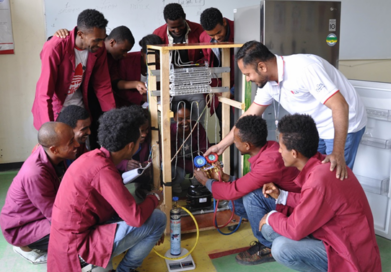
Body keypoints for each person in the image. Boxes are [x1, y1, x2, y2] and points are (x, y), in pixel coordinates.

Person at [206, 40, 367, 180]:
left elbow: (340, 105)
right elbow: (249, 116)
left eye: (248, 74)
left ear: (262, 66)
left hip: (343, 122)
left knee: (332, 180)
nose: (248, 79)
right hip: (315, 128)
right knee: (310, 175)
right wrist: (221, 146)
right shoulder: (268, 83)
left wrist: (338, 153)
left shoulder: (304, 69)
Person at [47, 107, 166, 272]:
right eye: (139, 142)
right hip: (76, 250)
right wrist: (155, 198)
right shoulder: (103, 170)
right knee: (158, 219)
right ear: (130, 146)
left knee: (141, 212)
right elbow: (136, 218)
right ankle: (126, 270)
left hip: (67, 240)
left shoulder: (92, 158)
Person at [258, 114, 381, 272]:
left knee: (281, 248)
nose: (279, 151)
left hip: (348, 252)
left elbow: (294, 229)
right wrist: (282, 196)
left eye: (281, 147)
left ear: (294, 153)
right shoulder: (321, 165)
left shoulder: (319, 179)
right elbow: (315, 201)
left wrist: (270, 216)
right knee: (270, 229)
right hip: (334, 237)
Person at [193, 115, 300, 265]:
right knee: (237, 201)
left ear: (247, 145)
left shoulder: (270, 161)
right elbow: (247, 183)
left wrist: (205, 181)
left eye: (235, 142)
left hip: (293, 207)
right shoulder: (269, 147)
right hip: (281, 198)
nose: (234, 144)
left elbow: (233, 190)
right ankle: (272, 230)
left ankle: (267, 246)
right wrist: (225, 178)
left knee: (251, 197)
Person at [0, 122, 79, 264]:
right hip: (20, 228)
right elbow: (55, 215)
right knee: (76, 236)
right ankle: (24, 246)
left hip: (38, 213)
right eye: (71, 142)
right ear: (54, 149)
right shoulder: (35, 173)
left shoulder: (54, 155)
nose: (77, 145)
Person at [32, 9, 115, 130]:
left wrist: (112, 117)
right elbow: (44, 93)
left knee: (81, 142)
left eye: (102, 39)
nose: (101, 45)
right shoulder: (55, 47)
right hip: (55, 108)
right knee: (60, 144)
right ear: (81, 34)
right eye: (96, 40)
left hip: (77, 104)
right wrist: (48, 128)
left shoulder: (98, 49)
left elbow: (102, 85)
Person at [153, 3, 206, 127]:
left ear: (185, 18)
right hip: (170, 85)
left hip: (194, 83)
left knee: (198, 119)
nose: (177, 30)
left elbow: (208, 55)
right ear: (166, 22)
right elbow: (155, 61)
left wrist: (197, 66)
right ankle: (173, 143)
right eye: (172, 27)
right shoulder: (158, 34)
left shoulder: (199, 30)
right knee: (172, 123)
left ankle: (198, 138)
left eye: (180, 26)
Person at [199, 7, 235, 131]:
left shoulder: (241, 31)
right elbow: (207, 62)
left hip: (239, 88)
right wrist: (215, 89)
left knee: (238, 129)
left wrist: (234, 90)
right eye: (212, 35)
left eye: (219, 32)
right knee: (224, 129)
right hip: (219, 91)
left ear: (224, 22)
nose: (216, 37)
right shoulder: (204, 37)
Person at [171, 100, 209, 194]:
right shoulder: (170, 132)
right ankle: (175, 182)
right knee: (180, 174)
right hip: (178, 164)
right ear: (174, 118)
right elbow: (172, 158)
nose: (185, 122)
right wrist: (193, 167)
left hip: (196, 162)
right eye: (180, 119)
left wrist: (201, 165)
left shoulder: (197, 127)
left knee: (208, 167)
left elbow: (205, 149)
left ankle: (195, 178)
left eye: (188, 118)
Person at [116, 34, 163, 107]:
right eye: (152, 58)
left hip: (152, 104)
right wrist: (142, 98)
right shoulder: (126, 60)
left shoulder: (161, 63)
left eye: (158, 58)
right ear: (142, 52)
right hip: (127, 105)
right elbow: (118, 88)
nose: (157, 61)